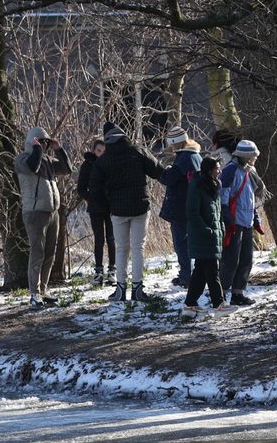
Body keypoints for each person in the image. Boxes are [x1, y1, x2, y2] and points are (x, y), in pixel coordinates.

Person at [88, 122, 167, 303]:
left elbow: (94, 189)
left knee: (122, 249)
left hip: (117, 210)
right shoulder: (138, 151)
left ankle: (121, 290)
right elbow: (158, 171)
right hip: (140, 207)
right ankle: (138, 289)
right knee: (138, 248)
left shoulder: (103, 161)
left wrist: (106, 207)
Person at [15, 126, 72, 310]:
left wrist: (58, 149)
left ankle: (44, 290)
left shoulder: (47, 160)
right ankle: (34, 294)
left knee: (50, 253)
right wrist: (37, 149)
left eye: (46, 142)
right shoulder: (22, 159)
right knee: (37, 253)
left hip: (52, 212)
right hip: (34, 213)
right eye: (41, 141)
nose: (44, 145)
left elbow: (66, 169)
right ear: (32, 141)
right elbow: (33, 166)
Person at [182, 157, 234, 318]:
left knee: (200, 272)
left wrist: (221, 228)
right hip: (203, 237)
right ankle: (219, 304)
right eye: (217, 168)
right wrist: (207, 231)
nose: (220, 171)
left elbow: (217, 212)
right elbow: (192, 213)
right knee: (212, 271)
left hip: (214, 236)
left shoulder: (215, 186)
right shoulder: (196, 186)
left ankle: (190, 305)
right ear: (209, 170)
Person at [218, 139, 266, 306]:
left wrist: (255, 216)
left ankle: (238, 293)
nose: (255, 159)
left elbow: (250, 197)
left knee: (246, 259)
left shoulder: (249, 171)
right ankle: (220, 295)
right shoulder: (230, 171)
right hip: (234, 222)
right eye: (253, 156)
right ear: (245, 156)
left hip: (246, 222)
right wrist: (227, 218)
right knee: (230, 260)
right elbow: (223, 196)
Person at [158, 126, 202, 288]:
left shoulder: (184, 158)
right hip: (193, 206)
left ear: (176, 143)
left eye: (172, 145)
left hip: (181, 208)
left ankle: (186, 276)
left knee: (181, 243)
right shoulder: (196, 155)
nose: (171, 148)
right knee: (193, 242)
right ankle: (194, 274)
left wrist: (164, 170)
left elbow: (168, 179)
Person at [75, 138, 114, 286]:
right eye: (98, 151)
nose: (101, 154)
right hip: (95, 207)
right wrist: (91, 198)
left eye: (104, 151)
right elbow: (81, 188)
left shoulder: (110, 163)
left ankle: (112, 271)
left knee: (111, 238)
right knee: (99, 238)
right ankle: (98, 272)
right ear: (93, 151)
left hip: (111, 206)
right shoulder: (87, 165)